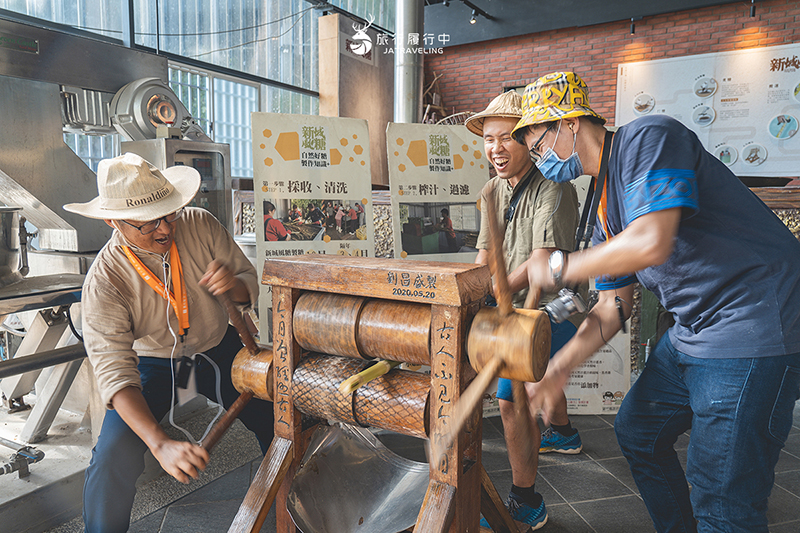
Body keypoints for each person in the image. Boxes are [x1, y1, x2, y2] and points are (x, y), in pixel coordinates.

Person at [514, 71, 800, 533]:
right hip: (692, 329)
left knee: (724, 502)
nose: (539, 158)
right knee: (639, 433)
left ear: (569, 123)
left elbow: (652, 241)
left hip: (752, 321)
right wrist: (559, 369)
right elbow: (611, 307)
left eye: (538, 143)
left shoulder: (648, 138)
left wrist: (559, 266)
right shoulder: (604, 203)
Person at [63, 153, 274, 533]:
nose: (164, 229)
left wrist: (234, 285)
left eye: (169, 214)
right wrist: (159, 443)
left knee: (277, 417)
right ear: (114, 222)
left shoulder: (200, 224)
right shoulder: (105, 281)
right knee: (113, 456)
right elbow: (115, 373)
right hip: (154, 361)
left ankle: (293, 503)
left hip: (216, 344)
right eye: (148, 224)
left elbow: (246, 285)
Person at [464, 90, 584, 530]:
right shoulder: (491, 190)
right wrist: (470, 293)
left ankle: (526, 500)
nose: (495, 149)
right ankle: (563, 433)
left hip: (558, 302)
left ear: (529, 140)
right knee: (538, 374)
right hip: (512, 301)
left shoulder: (554, 185)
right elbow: (483, 259)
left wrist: (492, 293)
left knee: (512, 396)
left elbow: (543, 266)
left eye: (507, 138)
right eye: (489, 139)